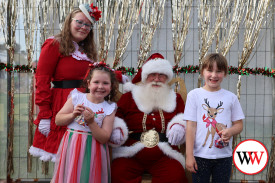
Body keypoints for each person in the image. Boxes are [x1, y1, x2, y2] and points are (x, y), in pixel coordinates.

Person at [29, 3, 127, 162]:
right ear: (69, 22)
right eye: (79, 22)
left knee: (81, 154)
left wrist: (116, 76)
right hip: (62, 104)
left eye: (88, 25)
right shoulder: (54, 44)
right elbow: (42, 80)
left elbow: (92, 74)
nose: (83, 27)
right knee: (64, 156)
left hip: (85, 103)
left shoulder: (85, 51)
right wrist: (44, 115)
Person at [109, 53, 188, 183]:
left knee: (176, 177)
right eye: (152, 75)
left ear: (167, 77)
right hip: (131, 153)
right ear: (145, 77)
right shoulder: (129, 97)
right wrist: (117, 128)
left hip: (165, 153)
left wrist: (179, 126)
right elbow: (116, 115)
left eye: (161, 75)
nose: (156, 79)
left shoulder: (175, 98)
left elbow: (183, 117)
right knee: (117, 174)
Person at [51, 62, 117, 183]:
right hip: (72, 146)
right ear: (88, 83)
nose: (100, 86)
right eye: (96, 82)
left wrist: (91, 122)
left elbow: (104, 138)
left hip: (94, 150)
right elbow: (58, 120)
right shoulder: (77, 98)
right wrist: (73, 115)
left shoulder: (109, 108)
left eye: (105, 83)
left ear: (111, 86)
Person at [184, 53, 244, 183]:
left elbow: (239, 124)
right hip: (200, 156)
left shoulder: (231, 98)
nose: (214, 75)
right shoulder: (194, 95)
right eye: (210, 70)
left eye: (219, 71)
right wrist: (189, 155)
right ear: (202, 72)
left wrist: (230, 131)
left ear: (225, 73)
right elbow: (190, 126)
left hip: (224, 157)